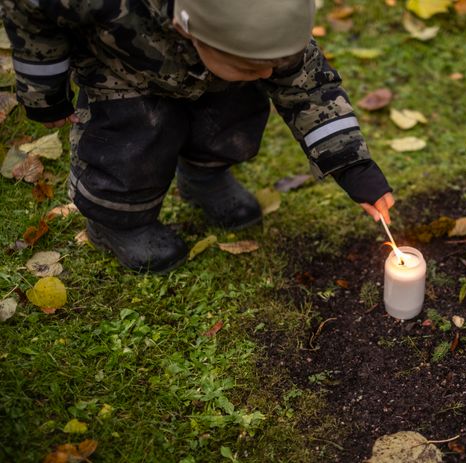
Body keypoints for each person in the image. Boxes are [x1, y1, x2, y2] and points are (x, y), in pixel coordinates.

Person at [2, 0, 395, 272]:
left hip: (213, 72)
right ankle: (119, 221)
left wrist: (353, 167)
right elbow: (31, 16)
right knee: (130, 142)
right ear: (187, 28)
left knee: (232, 116)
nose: (268, 74)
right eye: (254, 65)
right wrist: (44, 92)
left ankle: (205, 176)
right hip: (123, 68)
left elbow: (309, 89)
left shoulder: (267, 29)